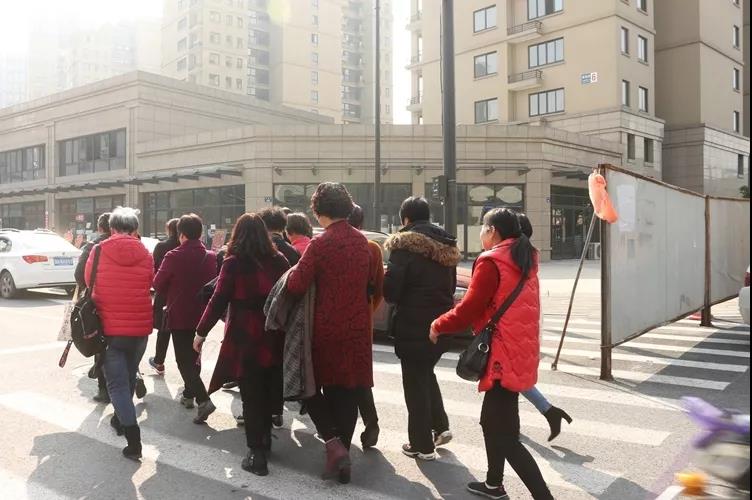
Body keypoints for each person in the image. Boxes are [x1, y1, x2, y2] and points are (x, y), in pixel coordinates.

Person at [429, 208, 553, 500]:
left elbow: (468, 309)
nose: (481, 232)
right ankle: (494, 483)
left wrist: (438, 325)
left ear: (493, 231)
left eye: (483, 227)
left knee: (506, 437)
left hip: (501, 356)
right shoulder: (524, 258)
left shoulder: (491, 261)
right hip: (519, 351)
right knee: (494, 423)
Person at [286, 182, 372, 484]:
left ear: (318, 211)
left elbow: (296, 284)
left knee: (309, 387)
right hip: (358, 328)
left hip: (326, 328)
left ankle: (333, 444)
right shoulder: (363, 242)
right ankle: (343, 461)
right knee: (347, 393)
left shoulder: (320, 244)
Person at [193, 213, 290, 476]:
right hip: (274, 333)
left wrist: (201, 332)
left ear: (238, 234)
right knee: (269, 388)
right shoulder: (280, 260)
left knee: (251, 393)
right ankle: (265, 440)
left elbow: (218, 299)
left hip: (245, 334)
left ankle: (256, 453)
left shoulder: (233, 263)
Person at [383, 196, 460, 461]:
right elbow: (451, 288)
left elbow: (391, 292)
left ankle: (421, 446)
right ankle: (440, 426)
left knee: (415, 384)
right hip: (442, 324)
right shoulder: (447, 245)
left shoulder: (403, 247)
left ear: (405, 219)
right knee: (425, 373)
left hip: (413, 326)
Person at [85, 206, 153, 460]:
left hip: (109, 330)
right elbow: (149, 282)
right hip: (139, 329)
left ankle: (133, 442)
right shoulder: (145, 252)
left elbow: (88, 279)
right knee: (127, 378)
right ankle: (120, 418)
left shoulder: (98, 250)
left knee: (117, 385)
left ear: (112, 228)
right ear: (135, 229)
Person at [154, 214, 218, 424]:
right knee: (195, 356)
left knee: (183, 361)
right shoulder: (211, 256)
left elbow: (158, 284)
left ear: (181, 234)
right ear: (200, 233)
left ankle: (203, 399)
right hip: (202, 315)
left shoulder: (173, 256)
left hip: (180, 314)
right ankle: (189, 395)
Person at [516, 213, 572, 442]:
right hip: (527, 325)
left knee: (507, 380)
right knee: (512, 380)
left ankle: (510, 426)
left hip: (512, 329)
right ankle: (548, 412)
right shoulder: (529, 256)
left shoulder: (510, 257)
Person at [346, 204, 384, 449]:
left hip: (332, 321)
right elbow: (379, 289)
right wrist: (368, 311)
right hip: (362, 320)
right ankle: (371, 421)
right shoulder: (372, 248)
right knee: (360, 372)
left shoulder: (327, 245)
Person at [75, 212, 112, 404]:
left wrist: (89, 288)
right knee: (123, 342)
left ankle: (104, 389)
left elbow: (79, 275)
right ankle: (134, 376)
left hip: (98, 303)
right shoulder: (133, 243)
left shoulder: (94, 246)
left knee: (100, 342)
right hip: (125, 302)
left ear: (99, 227)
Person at [148, 218, 180, 375]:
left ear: (169, 230)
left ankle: (159, 361)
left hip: (164, 293)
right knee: (184, 332)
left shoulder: (162, 247)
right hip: (182, 294)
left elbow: (155, 269)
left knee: (164, 329)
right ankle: (188, 365)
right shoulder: (186, 247)